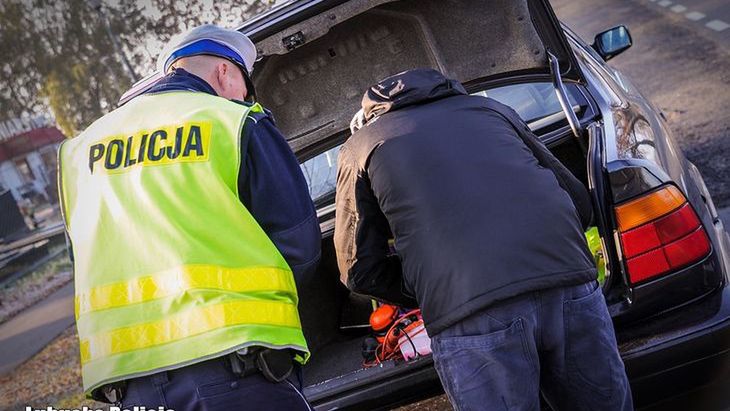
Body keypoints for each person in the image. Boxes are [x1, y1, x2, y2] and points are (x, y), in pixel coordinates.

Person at [334, 68, 632, 410]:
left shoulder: (361, 147)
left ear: (368, 116)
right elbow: (579, 203)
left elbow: (359, 270)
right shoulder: (491, 109)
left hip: (473, 321)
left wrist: (431, 287)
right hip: (568, 285)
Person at [58, 24, 320, 410]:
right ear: (225, 72)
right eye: (246, 88)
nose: (245, 98)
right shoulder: (233, 120)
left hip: (129, 382)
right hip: (234, 364)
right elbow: (299, 244)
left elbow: (82, 258)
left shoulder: (78, 151)